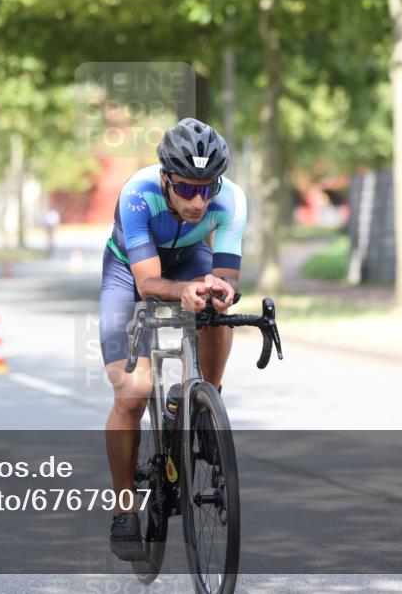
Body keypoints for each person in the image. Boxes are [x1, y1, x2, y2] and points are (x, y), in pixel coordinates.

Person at [98, 118, 247, 561]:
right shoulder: (137, 193)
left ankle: (205, 403)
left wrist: (221, 290)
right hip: (129, 271)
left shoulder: (233, 200)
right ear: (165, 180)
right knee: (132, 393)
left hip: (188, 259)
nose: (198, 201)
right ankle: (124, 507)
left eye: (207, 189)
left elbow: (227, 274)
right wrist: (181, 291)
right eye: (185, 189)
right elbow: (147, 284)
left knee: (220, 314)